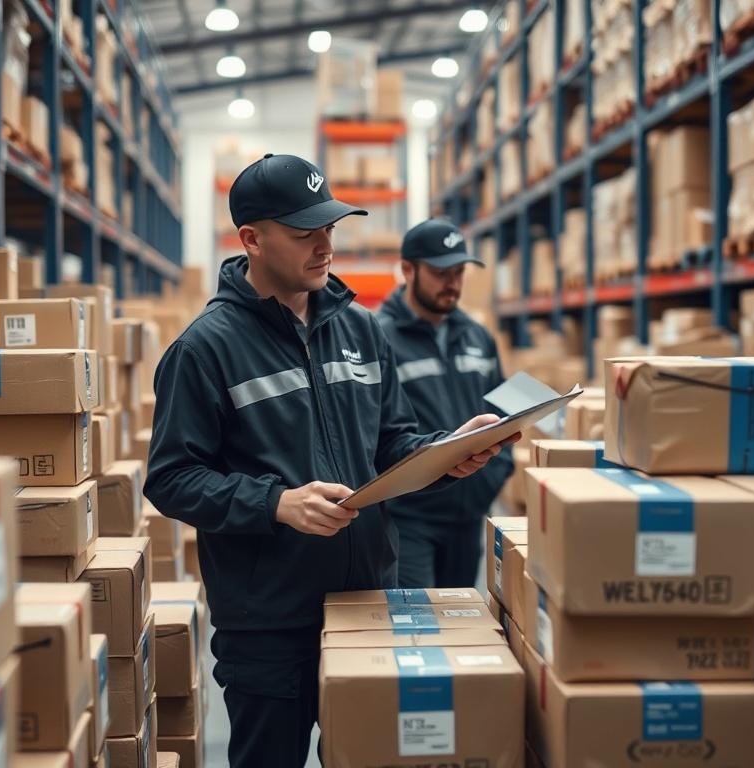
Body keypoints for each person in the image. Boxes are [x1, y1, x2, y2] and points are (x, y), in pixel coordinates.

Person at [144, 154, 517, 768]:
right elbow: (172, 478)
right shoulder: (204, 350)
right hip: (270, 624)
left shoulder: (364, 332)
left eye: (331, 229)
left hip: (368, 600)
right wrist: (277, 503)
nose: (325, 247)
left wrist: (446, 452)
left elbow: (391, 439)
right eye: (304, 233)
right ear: (251, 240)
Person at [377, 218, 514, 589]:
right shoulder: (378, 339)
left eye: (459, 272)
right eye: (440, 273)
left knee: (460, 624)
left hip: (469, 517)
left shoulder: (477, 336)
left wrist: (495, 474)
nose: (453, 283)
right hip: (410, 520)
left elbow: (502, 410)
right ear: (408, 270)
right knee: (417, 628)